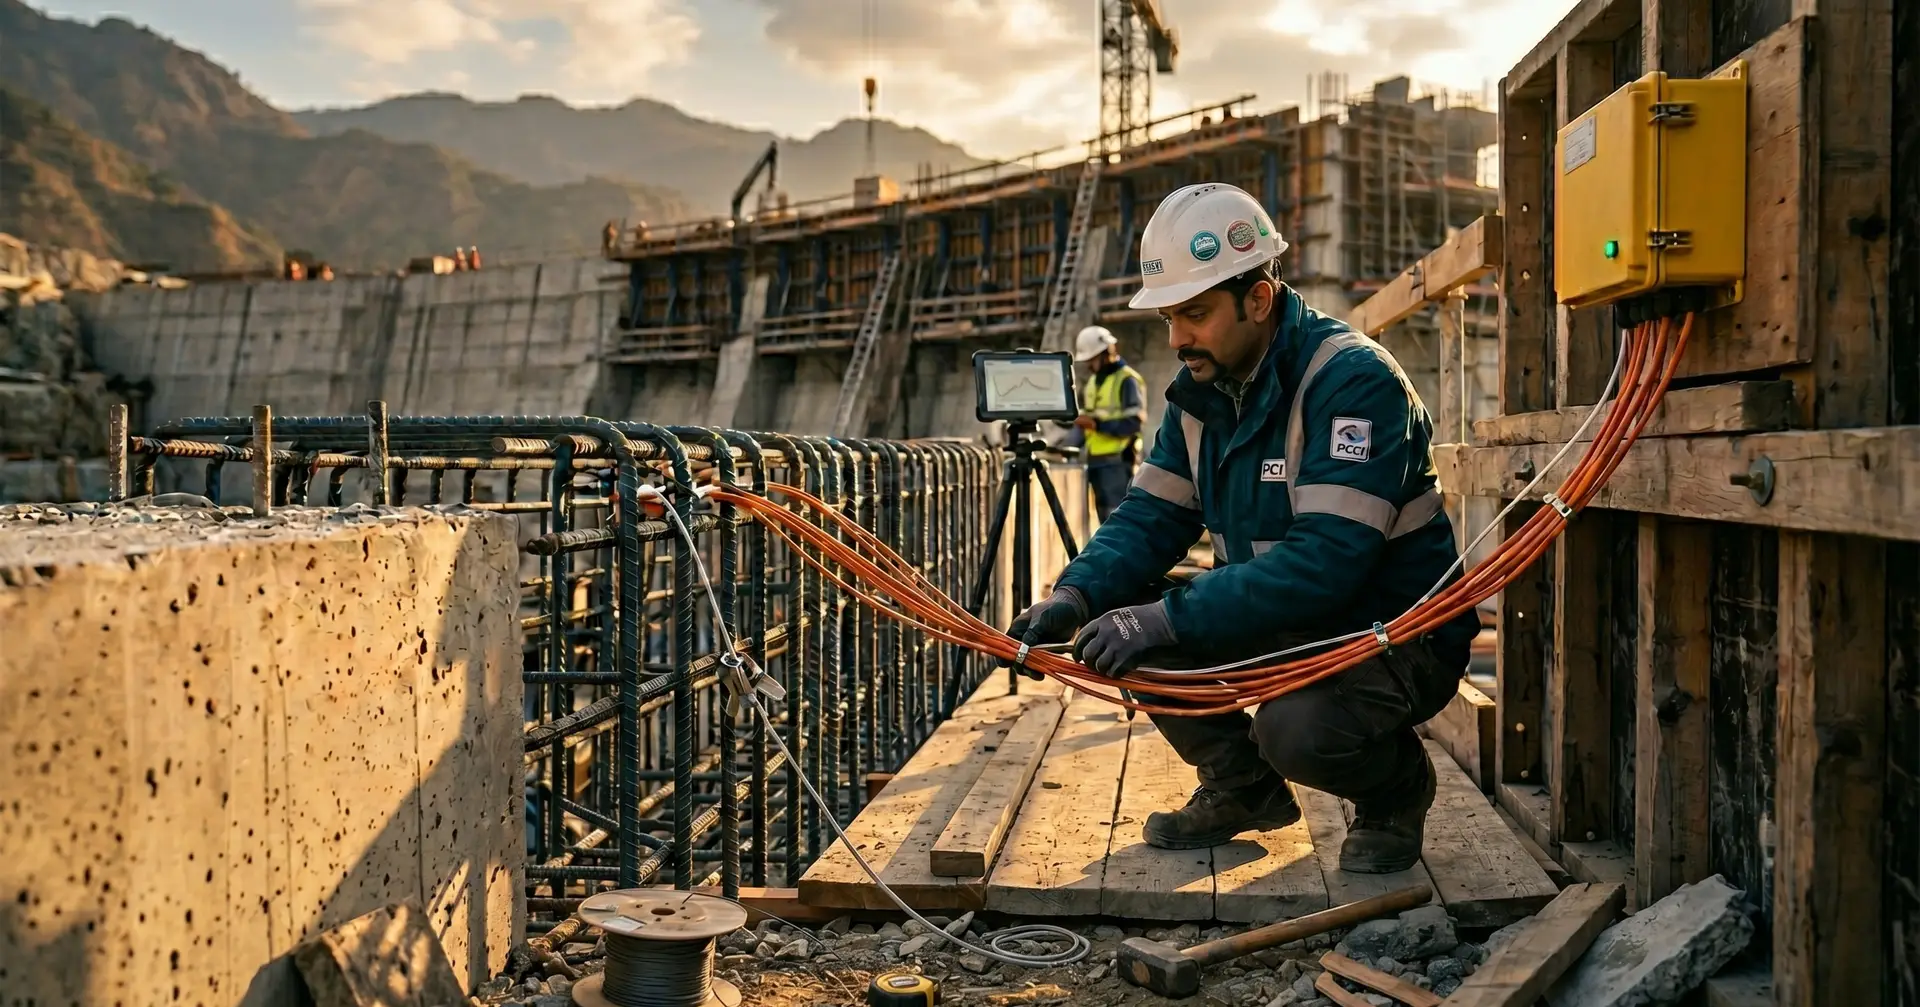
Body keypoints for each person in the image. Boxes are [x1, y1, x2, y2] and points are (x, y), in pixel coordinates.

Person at [1008, 182, 1477, 873]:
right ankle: (1243, 788)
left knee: (1295, 728)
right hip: (1292, 618)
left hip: (1391, 632)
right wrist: (1074, 595)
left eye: (1194, 314)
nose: (1176, 339)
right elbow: (1147, 517)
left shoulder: (1351, 382)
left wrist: (1166, 617)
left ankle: (1397, 790)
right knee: (1117, 625)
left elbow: (1326, 563)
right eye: (1170, 317)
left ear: (1258, 299)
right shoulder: (1202, 394)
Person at [1072, 324, 1147, 523]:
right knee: (1103, 519)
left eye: (1092, 360)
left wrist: (1096, 425)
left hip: (1118, 461)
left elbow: (1133, 423)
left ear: (1106, 354)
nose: (1089, 365)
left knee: (1120, 519)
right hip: (1096, 460)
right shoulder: (1093, 382)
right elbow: (1088, 422)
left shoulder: (1127, 380)